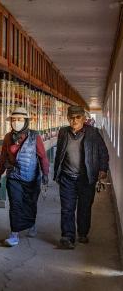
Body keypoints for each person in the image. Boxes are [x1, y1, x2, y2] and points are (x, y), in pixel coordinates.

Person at [54, 105, 109, 249]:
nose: (74, 120)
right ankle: (67, 236)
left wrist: (103, 169)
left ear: (84, 119)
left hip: (86, 178)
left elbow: (103, 152)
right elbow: (59, 153)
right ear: (67, 118)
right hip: (67, 177)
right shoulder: (63, 133)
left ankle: (83, 233)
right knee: (67, 208)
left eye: (78, 117)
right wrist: (57, 173)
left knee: (84, 207)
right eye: (71, 117)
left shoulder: (93, 133)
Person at [0, 107, 50, 246]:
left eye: (19, 119)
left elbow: (42, 156)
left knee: (30, 203)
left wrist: (45, 174)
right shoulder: (8, 137)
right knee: (15, 205)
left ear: (25, 121)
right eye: (14, 120)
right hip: (14, 177)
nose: (16, 122)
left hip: (32, 177)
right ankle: (14, 234)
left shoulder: (34, 136)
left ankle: (31, 224)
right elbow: (3, 157)